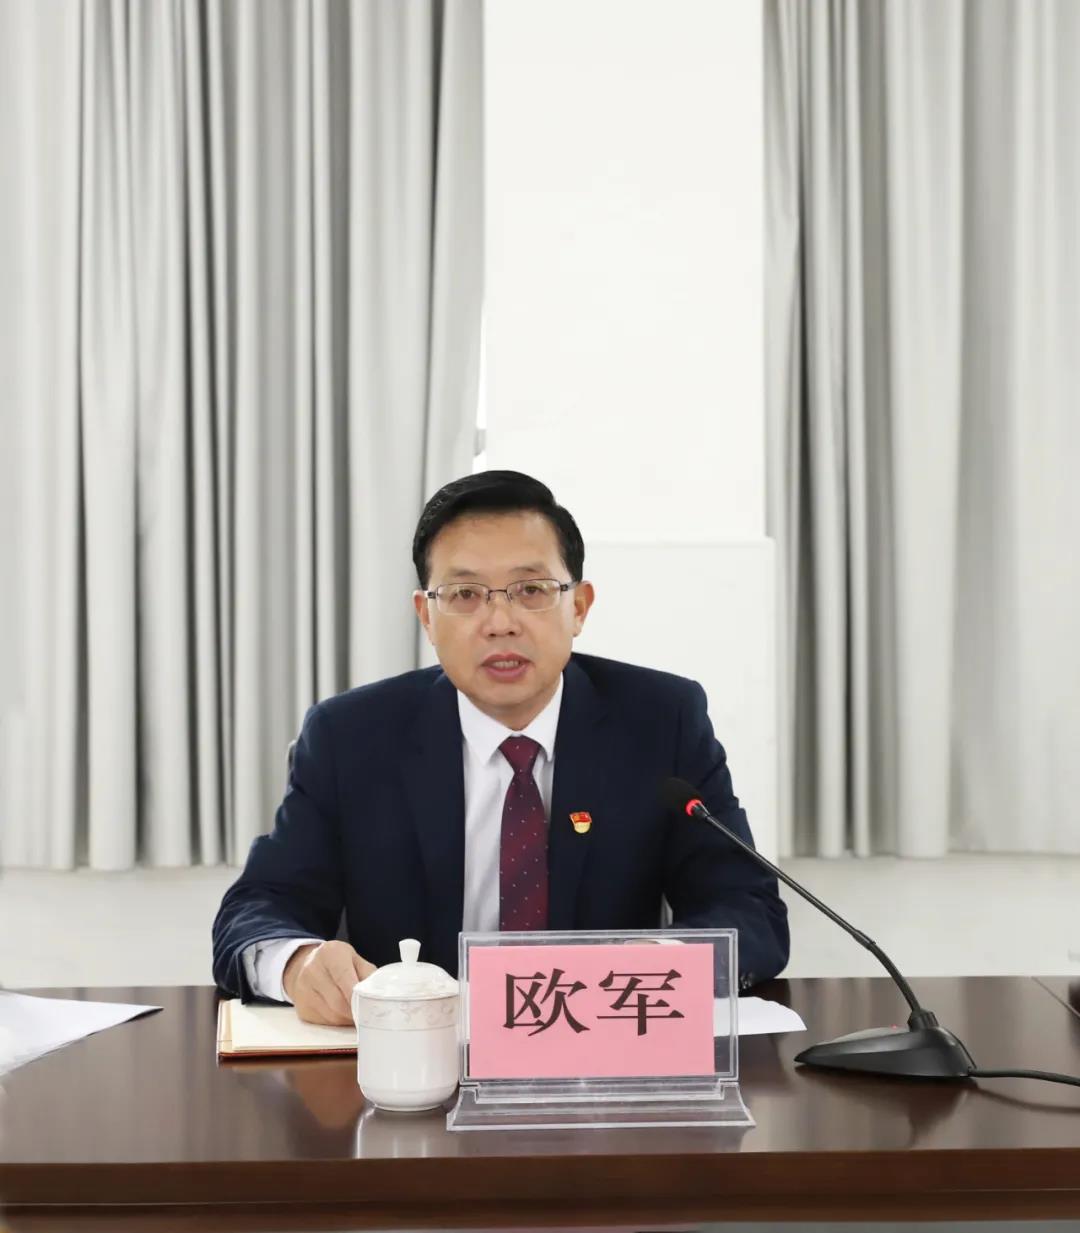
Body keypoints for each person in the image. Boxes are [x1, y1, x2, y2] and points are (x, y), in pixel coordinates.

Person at [212, 471, 789, 1024]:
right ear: (426, 616)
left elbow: (747, 906)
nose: (499, 622)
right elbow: (260, 907)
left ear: (579, 607)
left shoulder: (661, 721)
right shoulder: (351, 737)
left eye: (531, 590)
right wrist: (298, 964)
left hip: (601, 1050)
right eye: (465, 594)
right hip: (412, 1058)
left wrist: (661, 961)